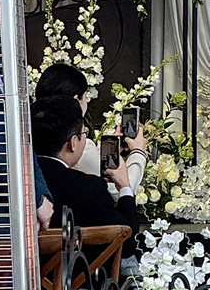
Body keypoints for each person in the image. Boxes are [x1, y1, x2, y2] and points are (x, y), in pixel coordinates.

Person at [0, 0, 53, 231]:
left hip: (17, 212)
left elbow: (22, 136)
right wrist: (32, 197)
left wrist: (41, 193)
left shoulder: (1, 62)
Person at [31, 96, 142, 241]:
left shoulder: (18, 182)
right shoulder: (89, 188)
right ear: (73, 143)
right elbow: (126, 241)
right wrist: (125, 187)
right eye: (84, 133)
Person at [33, 62, 147, 194]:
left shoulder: (34, 131)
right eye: (86, 97)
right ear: (76, 100)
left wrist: (113, 148)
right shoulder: (75, 145)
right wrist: (138, 152)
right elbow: (120, 187)